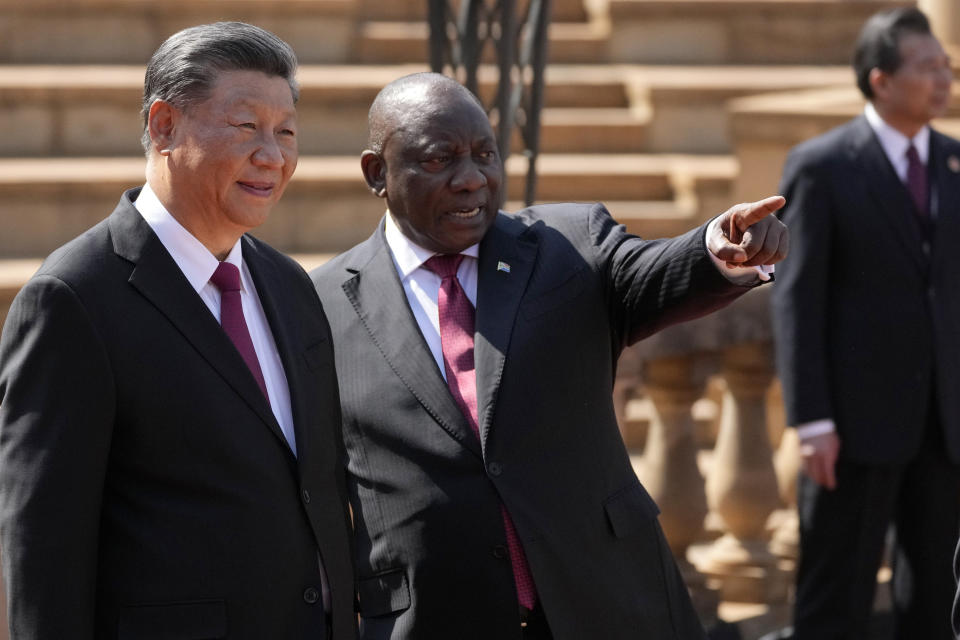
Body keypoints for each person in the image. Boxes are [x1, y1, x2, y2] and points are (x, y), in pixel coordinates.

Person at [310, 71, 788, 640]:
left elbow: (653, 274)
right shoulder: (320, 305)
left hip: (608, 600)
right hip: (435, 616)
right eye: (441, 160)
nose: (472, 180)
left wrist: (718, 249)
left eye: (485, 155)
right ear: (376, 173)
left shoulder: (569, 244)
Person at [0, 22, 356, 639]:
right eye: (246, 127)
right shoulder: (74, 298)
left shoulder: (290, 285)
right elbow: (44, 549)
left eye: (287, 131)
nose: (272, 155)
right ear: (164, 126)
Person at [769, 7, 960, 640]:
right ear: (881, 79)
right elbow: (797, 297)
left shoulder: (955, 163)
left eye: (946, 66)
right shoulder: (822, 165)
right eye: (928, 67)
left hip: (945, 424)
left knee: (938, 598)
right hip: (851, 427)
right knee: (835, 600)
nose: (943, 79)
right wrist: (811, 419)